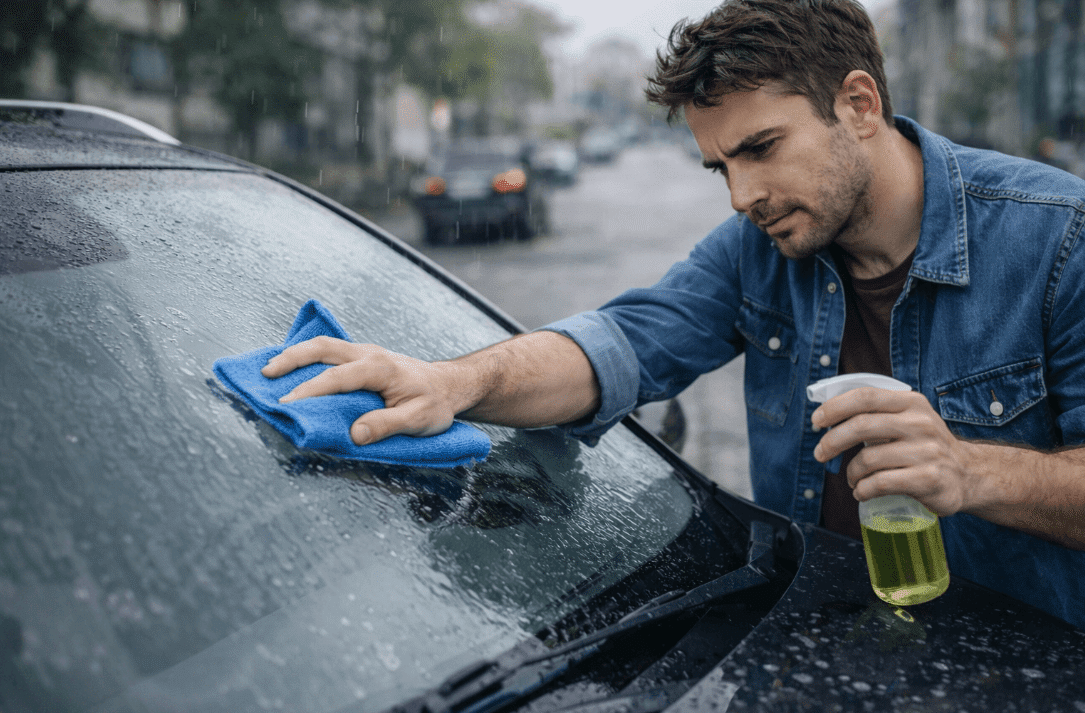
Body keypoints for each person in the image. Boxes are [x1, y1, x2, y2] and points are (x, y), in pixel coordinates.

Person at [263, 0, 1085, 628]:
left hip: (1025, 673)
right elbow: (620, 344)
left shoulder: (1057, 238)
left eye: (759, 148)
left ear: (859, 105)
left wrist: (971, 472)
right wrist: (452, 380)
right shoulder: (759, 248)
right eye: (718, 166)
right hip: (823, 651)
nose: (741, 196)